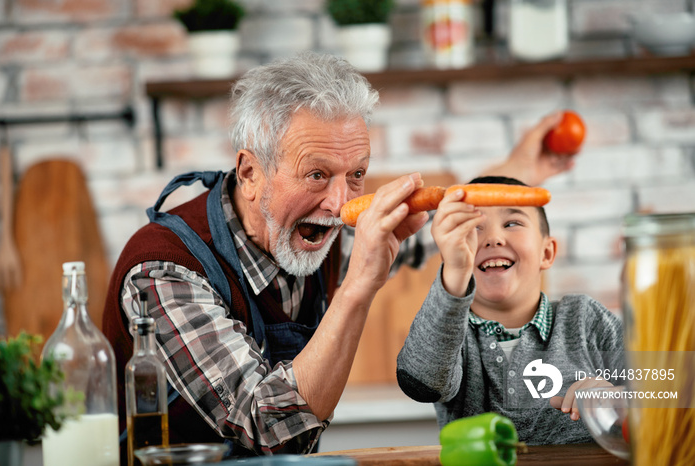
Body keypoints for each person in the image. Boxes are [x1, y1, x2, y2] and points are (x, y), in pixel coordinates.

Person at [102, 51, 576, 459]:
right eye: (316, 175)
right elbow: (270, 428)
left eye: (356, 174)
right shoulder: (164, 271)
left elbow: (426, 230)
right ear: (250, 173)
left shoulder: (317, 229)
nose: (339, 203)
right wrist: (359, 287)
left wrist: (515, 173)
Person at [396, 175, 624, 445]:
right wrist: (455, 270)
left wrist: (619, 396)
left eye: (512, 223)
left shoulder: (586, 319)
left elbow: (671, 388)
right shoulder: (449, 334)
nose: (493, 238)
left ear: (547, 253)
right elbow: (420, 383)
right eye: (476, 226)